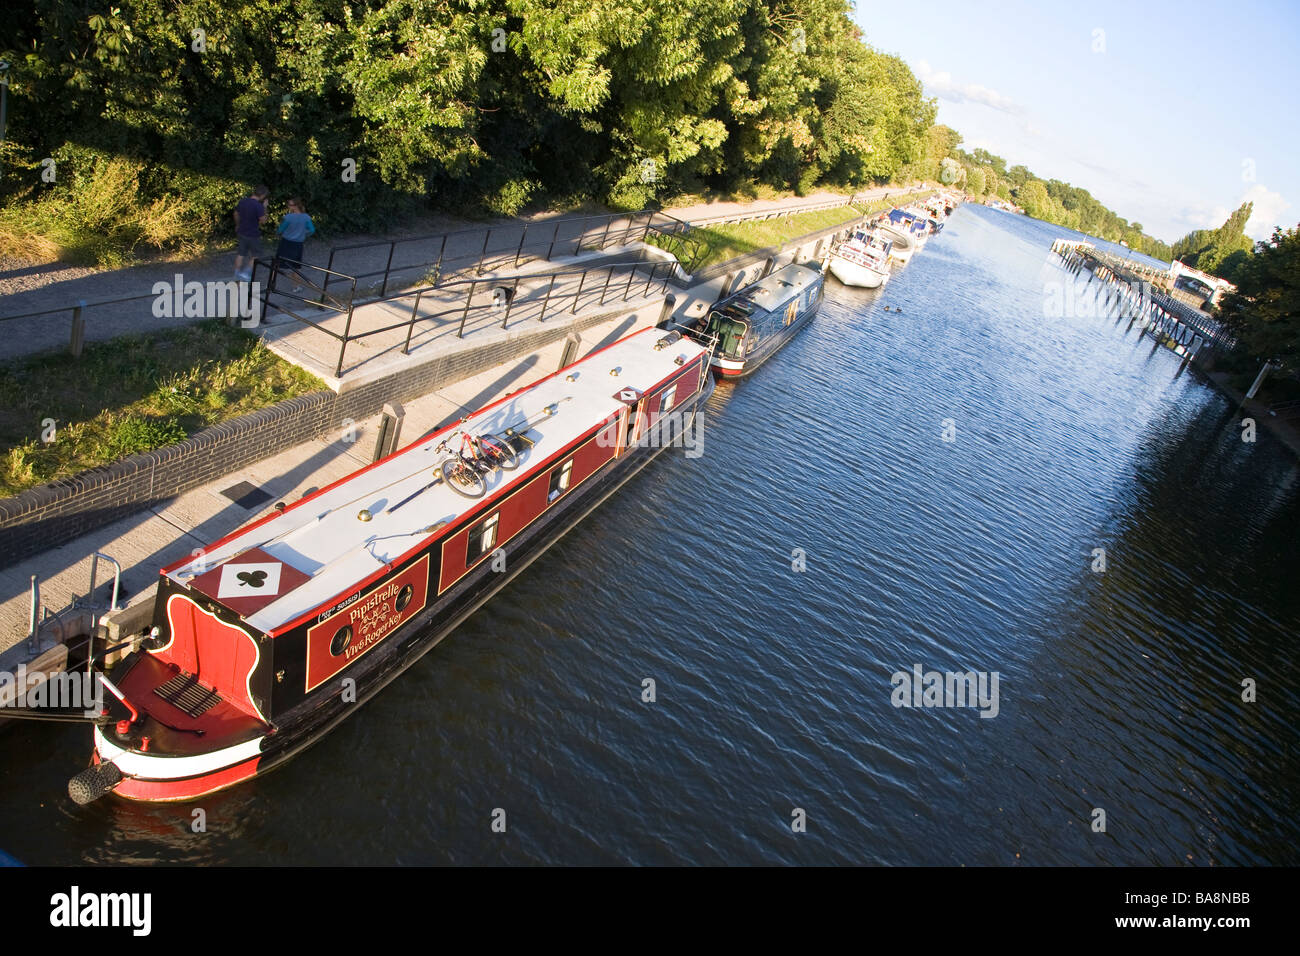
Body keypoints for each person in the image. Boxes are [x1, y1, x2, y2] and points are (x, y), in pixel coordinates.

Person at [275, 197, 316, 293]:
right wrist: (304, 234)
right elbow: (312, 230)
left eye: (290, 205)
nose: (288, 206)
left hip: (286, 243)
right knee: (296, 267)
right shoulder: (306, 217)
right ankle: (296, 286)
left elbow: (280, 230)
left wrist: (278, 233)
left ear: (295, 206)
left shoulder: (288, 217)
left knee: (277, 263)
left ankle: (272, 283)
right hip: (298, 244)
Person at [233, 185, 269, 281]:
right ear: (262, 196)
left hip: (242, 231)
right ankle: (245, 273)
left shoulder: (243, 201)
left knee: (241, 254)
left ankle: (236, 274)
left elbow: (236, 213)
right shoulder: (258, 206)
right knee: (256, 255)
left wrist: (237, 224)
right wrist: (265, 207)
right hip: (253, 234)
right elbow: (263, 221)